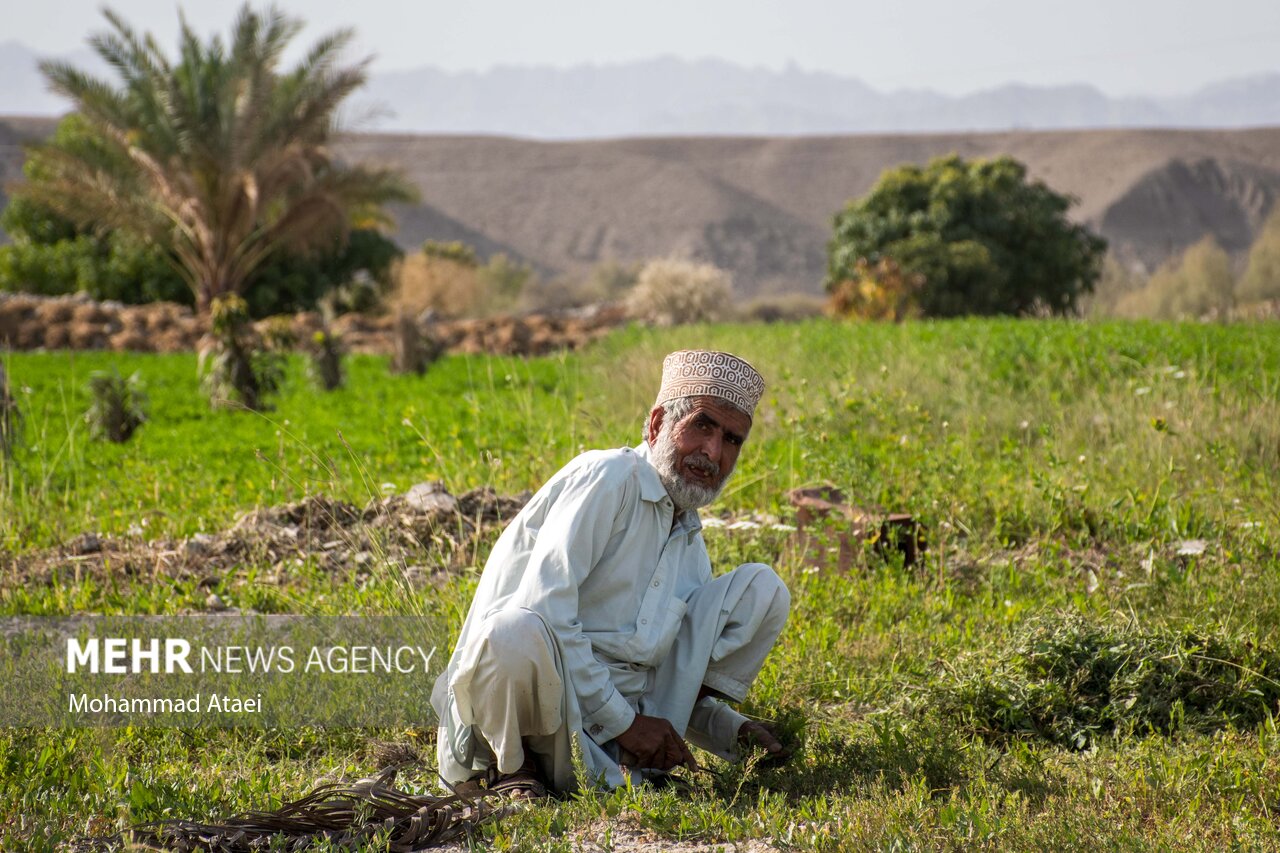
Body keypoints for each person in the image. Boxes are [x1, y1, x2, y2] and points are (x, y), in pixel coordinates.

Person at [431, 350, 791, 796]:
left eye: (732, 440)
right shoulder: (609, 478)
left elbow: (666, 672)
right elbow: (543, 607)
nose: (712, 452)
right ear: (658, 424)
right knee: (513, 630)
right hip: (536, 718)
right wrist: (627, 724)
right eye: (701, 426)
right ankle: (513, 773)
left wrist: (728, 731)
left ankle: (649, 758)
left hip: (611, 742)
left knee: (763, 588)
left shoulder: (690, 541)